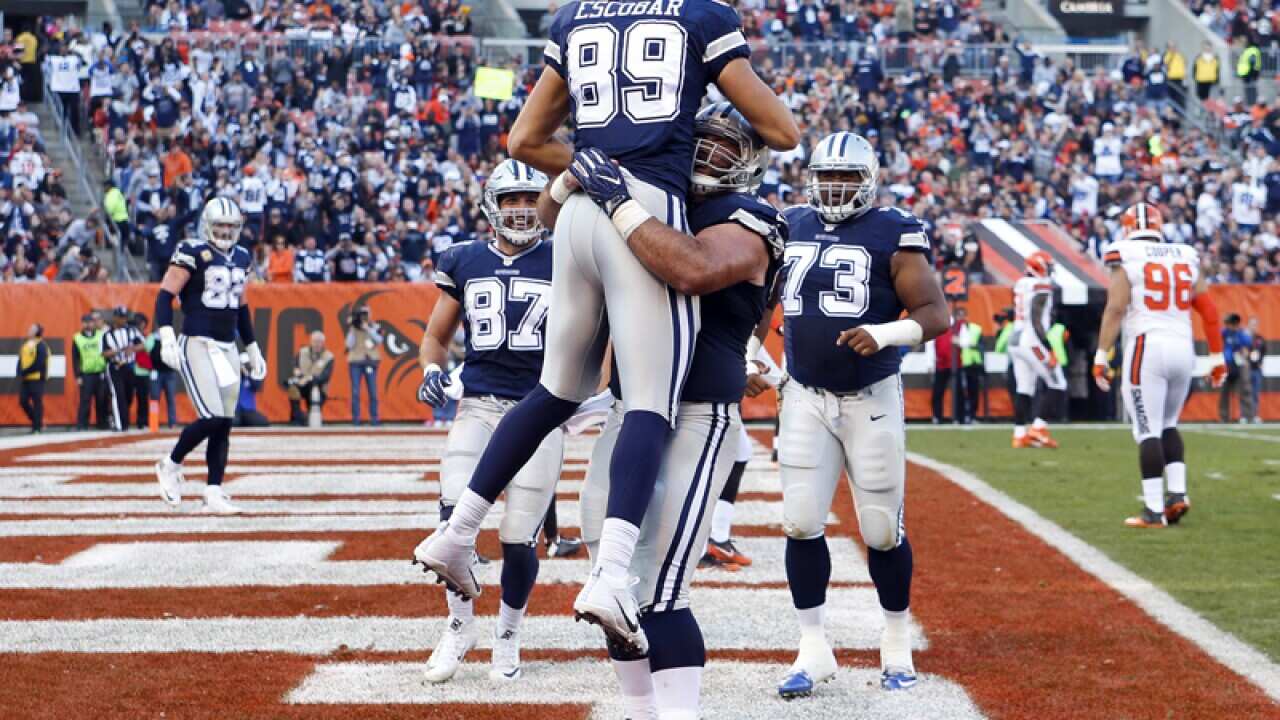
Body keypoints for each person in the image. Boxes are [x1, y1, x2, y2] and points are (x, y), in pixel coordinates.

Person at [412, 0, 799, 661]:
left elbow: (522, 141)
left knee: (554, 390)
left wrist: (586, 165)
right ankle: (614, 574)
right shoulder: (700, 17)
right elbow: (782, 131)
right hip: (641, 210)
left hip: (576, 207)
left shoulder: (571, 16)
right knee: (648, 399)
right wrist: (648, 166)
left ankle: (457, 529)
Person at [558, 104, 784, 719]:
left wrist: (619, 204)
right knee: (609, 575)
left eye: (724, 147)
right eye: (701, 142)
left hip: (695, 415)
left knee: (661, 589)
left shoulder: (752, 217)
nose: (708, 155)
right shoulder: (662, 201)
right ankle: (640, 711)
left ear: (750, 162)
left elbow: (692, 268)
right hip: (633, 410)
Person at [773, 132, 948, 697]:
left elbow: (935, 313)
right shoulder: (790, 223)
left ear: (868, 180)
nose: (835, 187)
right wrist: (754, 353)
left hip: (870, 395)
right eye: (826, 177)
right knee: (800, 521)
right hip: (804, 394)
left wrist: (885, 331)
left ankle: (894, 641)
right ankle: (812, 647)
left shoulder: (894, 229)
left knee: (880, 530)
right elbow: (760, 297)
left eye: (847, 178)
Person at [414, 159, 566, 685]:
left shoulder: (562, 257)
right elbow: (435, 337)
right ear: (491, 206)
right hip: (477, 405)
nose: (522, 210)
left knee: (519, 535)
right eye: (511, 200)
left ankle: (508, 631)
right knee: (452, 516)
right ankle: (459, 626)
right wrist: (432, 369)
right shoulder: (463, 260)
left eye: (530, 198)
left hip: (540, 412)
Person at [1093, 203, 1227, 528]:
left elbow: (1115, 308)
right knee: (1168, 423)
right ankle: (1177, 495)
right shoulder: (1185, 254)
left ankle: (1153, 511)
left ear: (1127, 228)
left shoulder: (1125, 253)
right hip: (1183, 348)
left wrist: (1101, 355)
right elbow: (1208, 311)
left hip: (1146, 346)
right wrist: (1217, 358)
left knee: (1147, 429)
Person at [153, 198, 267, 515]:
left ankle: (213, 491)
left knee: (224, 423)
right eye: (220, 225)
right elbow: (165, 294)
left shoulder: (243, 256)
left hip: (228, 345)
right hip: (198, 342)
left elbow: (240, 305)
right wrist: (165, 334)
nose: (225, 231)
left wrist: (252, 345)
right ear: (207, 224)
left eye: (231, 226)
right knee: (212, 416)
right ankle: (170, 463)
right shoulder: (191, 251)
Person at [1009, 252, 1065, 449]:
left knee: (1024, 388)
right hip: (1032, 339)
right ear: (1039, 267)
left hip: (1015, 338)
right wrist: (1048, 348)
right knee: (1058, 384)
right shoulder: (1041, 285)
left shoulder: (1021, 283)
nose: (1051, 270)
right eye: (1048, 266)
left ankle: (1019, 434)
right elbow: (1036, 319)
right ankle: (1038, 428)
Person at [102, 306, 145, 432]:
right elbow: (103, 353)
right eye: (121, 317)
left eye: (125, 317)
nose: (123, 320)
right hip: (115, 366)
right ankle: (120, 425)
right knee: (118, 395)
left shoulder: (132, 331)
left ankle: (123, 420)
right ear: (115, 318)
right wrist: (117, 351)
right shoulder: (106, 334)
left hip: (129, 366)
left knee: (128, 395)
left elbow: (143, 344)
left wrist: (132, 349)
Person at [345, 306, 382, 425]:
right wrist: (352, 329)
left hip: (370, 361)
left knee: (373, 391)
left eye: (366, 314)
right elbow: (349, 345)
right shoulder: (354, 327)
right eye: (362, 314)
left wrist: (368, 329)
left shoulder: (375, 326)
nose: (364, 317)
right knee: (355, 391)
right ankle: (356, 419)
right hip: (356, 361)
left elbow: (379, 340)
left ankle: (374, 419)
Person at [72, 312, 110, 430]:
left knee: (102, 399)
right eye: (85, 322)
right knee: (85, 400)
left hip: (100, 371)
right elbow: (75, 358)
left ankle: (102, 424)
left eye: (90, 322)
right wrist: (78, 376)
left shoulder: (101, 335)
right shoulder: (77, 338)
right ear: (82, 324)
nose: (88, 325)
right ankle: (82, 424)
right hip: (87, 373)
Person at [288, 331, 333, 425]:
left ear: (323, 343)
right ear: (311, 341)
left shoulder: (328, 356)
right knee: (293, 389)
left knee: (314, 392)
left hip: (318, 387)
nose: (317, 344)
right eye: (315, 341)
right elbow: (295, 367)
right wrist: (299, 375)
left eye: (319, 342)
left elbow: (325, 376)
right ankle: (296, 419)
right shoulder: (302, 352)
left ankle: (311, 420)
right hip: (302, 384)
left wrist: (309, 378)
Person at [1220, 314, 1255, 422]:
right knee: (1224, 392)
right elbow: (1217, 332)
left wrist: (1243, 352)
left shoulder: (1242, 334)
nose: (1227, 326)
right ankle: (1224, 417)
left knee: (1245, 389)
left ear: (1235, 324)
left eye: (1229, 324)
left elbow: (1248, 346)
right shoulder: (1225, 332)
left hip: (1240, 365)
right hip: (1227, 365)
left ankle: (1248, 416)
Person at [954, 306, 984, 424]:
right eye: (959, 315)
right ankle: (959, 417)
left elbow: (980, 346)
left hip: (972, 364)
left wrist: (963, 343)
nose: (961, 318)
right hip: (957, 365)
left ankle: (972, 416)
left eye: (963, 315)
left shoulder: (975, 328)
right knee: (959, 392)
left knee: (973, 391)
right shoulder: (952, 329)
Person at [18, 323, 49, 433]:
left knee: (37, 402)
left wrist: (26, 371)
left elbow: (39, 363)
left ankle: (37, 428)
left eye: (32, 329)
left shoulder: (41, 345)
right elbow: (21, 360)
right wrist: (19, 372)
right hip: (26, 379)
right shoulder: (26, 345)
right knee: (23, 401)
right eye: (29, 328)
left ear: (37, 332)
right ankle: (37, 421)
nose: (29, 330)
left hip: (37, 378)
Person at [930, 316, 956, 423]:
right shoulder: (936, 331)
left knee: (957, 392)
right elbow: (931, 348)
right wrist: (931, 365)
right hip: (941, 365)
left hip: (954, 365)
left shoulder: (956, 330)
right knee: (938, 393)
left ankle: (958, 417)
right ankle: (937, 416)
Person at [130, 313, 153, 430]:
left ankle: (143, 421)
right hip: (132, 370)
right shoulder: (131, 334)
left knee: (143, 398)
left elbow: (145, 347)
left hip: (143, 371)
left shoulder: (146, 336)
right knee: (129, 396)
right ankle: (126, 420)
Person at [1247, 317, 1264, 424]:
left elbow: (1263, 351)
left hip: (1257, 369)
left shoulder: (1260, 339)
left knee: (1255, 393)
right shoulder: (1245, 338)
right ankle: (1244, 415)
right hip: (1247, 369)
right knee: (1245, 393)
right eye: (1252, 324)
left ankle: (1255, 415)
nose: (1254, 327)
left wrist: (1261, 362)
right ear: (1248, 325)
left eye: (1255, 324)